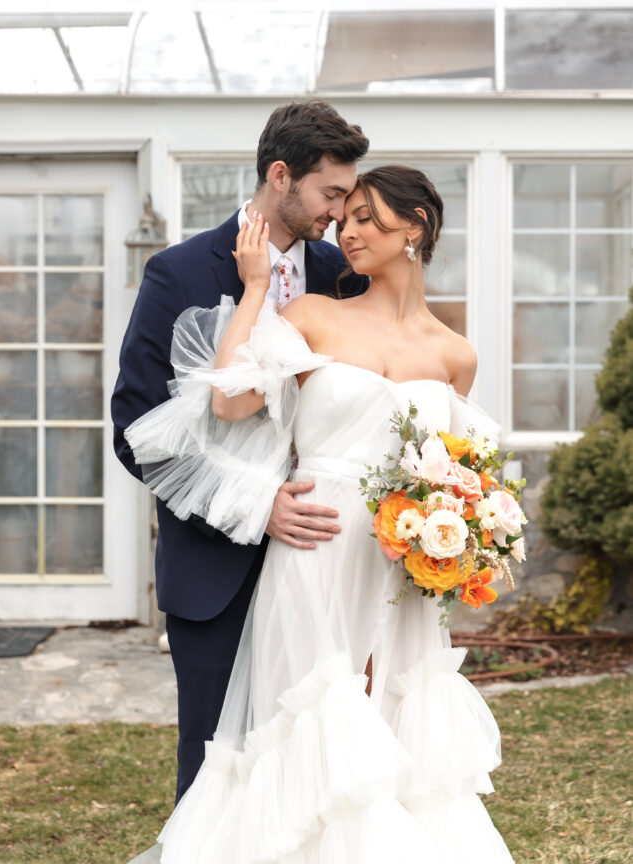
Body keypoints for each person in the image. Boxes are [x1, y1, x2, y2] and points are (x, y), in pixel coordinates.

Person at [124, 165, 514, 864]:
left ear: (415, 229)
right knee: (310, 728)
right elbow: (229, 403)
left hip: (397, 568)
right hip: (313, 550)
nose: (347, 228)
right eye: (345, 214)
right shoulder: (311, 315)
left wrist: (458, 532)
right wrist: (250, 291)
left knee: (393, 731)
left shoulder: (455, 355)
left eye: (366, 216)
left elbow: (455, 467)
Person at [111, 100, 369, 804]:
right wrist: (258, 507)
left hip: (326, 564)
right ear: (280, 175)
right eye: (331, 194)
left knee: (314, 759)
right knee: (216, 767)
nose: (342, 215)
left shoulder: (345, 275)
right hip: (214, 569)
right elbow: (135, 431)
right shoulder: (178, 272)